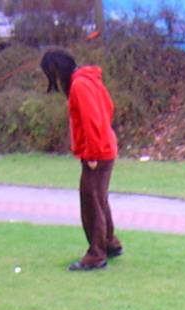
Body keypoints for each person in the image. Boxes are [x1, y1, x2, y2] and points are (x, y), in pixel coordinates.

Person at [41, 50, 122, 272]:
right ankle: (109, 243)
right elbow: (108, 108)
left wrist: (91, 154)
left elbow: (91, 120)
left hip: (98, 152)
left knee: (90, 201)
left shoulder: (80, 85)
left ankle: (96, 255)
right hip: (105, 146)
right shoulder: (89, 80)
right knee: (99, 198)